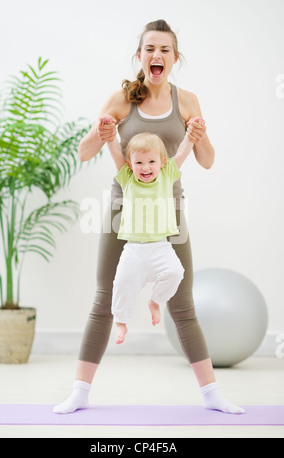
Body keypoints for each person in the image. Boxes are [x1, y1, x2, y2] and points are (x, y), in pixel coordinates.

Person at [53, 19, 245, 415]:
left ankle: (212, 396)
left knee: (183, 304)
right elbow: (85, 152)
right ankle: (79, 392)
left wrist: (198, 135)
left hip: (170, 216)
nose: (156, 55)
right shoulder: (122, 99)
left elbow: (207, 161)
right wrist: (104, 132)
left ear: (174, 58)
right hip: (121, 215)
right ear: (140, 56)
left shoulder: (187, 100)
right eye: (149, 49)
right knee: (104, 300)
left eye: (165, 50)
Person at [102, 122, 193, 344]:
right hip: (133, 248)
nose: (145, 167)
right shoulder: (127, 179)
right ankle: (121, 322)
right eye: (139, 162)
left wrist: (191, 134)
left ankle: (155, 302)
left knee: (175, 273)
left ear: (162, 162)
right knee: (122, 283)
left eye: (151, 161)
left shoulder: (167, 175)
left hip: (161, 246)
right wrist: (109, 134)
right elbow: (115, 151)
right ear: (130, 165)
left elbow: (182, 152)